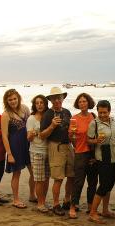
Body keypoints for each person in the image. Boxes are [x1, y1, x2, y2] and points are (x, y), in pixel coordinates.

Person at [40, 87, 74, 216]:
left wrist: (73, 135)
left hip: (68, 146)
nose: (57, 100)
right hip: (56, 147)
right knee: (58, 178)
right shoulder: (48, 114)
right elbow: (42, 135)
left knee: (71, 175)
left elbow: (70, 130)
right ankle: (55, 204)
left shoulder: (67, 112)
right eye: (54, 98)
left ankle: (67, 200)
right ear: (51, 100)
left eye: (59, 97)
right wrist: (52, 125)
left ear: (62, 98)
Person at [87, 100, 115, 224]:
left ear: (109, 111)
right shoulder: (94, 124)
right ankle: (92, 213)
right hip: (102, 157)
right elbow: (88, 140)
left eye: (105, 112)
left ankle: (105, 210)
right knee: (104, 185)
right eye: (100, 112)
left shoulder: (113, 121)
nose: (102, 115)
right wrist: (96, 141)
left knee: (110, 185)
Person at [1, 89, 35, 208]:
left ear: (18, 98)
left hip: (28, 144)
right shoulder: (6, 114)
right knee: (17, 173)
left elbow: (32, 124)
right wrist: (9, 154)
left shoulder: (25, 108)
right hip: (15, 146)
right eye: (10, 100)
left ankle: (32, 195)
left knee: (34, 172)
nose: (13, 101)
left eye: (14, 98)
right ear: (6, 101)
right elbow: (4, 136)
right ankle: (16, 200)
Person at [68, 93, 98, 219]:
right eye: (80, 102)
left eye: (85, 101)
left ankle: (91, 207)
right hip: (80, 152)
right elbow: (71, 138)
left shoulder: (94, 116)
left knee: (92, 182)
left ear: (88, 102)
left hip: (93, 153)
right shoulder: (74, 118)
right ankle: (73, 206)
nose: (82, 103)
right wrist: (74, 138)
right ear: (78, 104)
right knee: (78, 181)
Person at [26, 95, 50, 213]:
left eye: (41, 103)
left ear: (45, 104)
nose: (39, 105)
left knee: (46, 179)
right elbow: (29, 138)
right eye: (37, 103)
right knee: (39, 180)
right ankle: (40, 203)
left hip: (49, 151)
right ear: (34, 105)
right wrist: (34, 133)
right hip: (36, 152)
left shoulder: (49, 116)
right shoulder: (31, 118)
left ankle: (43, 201)